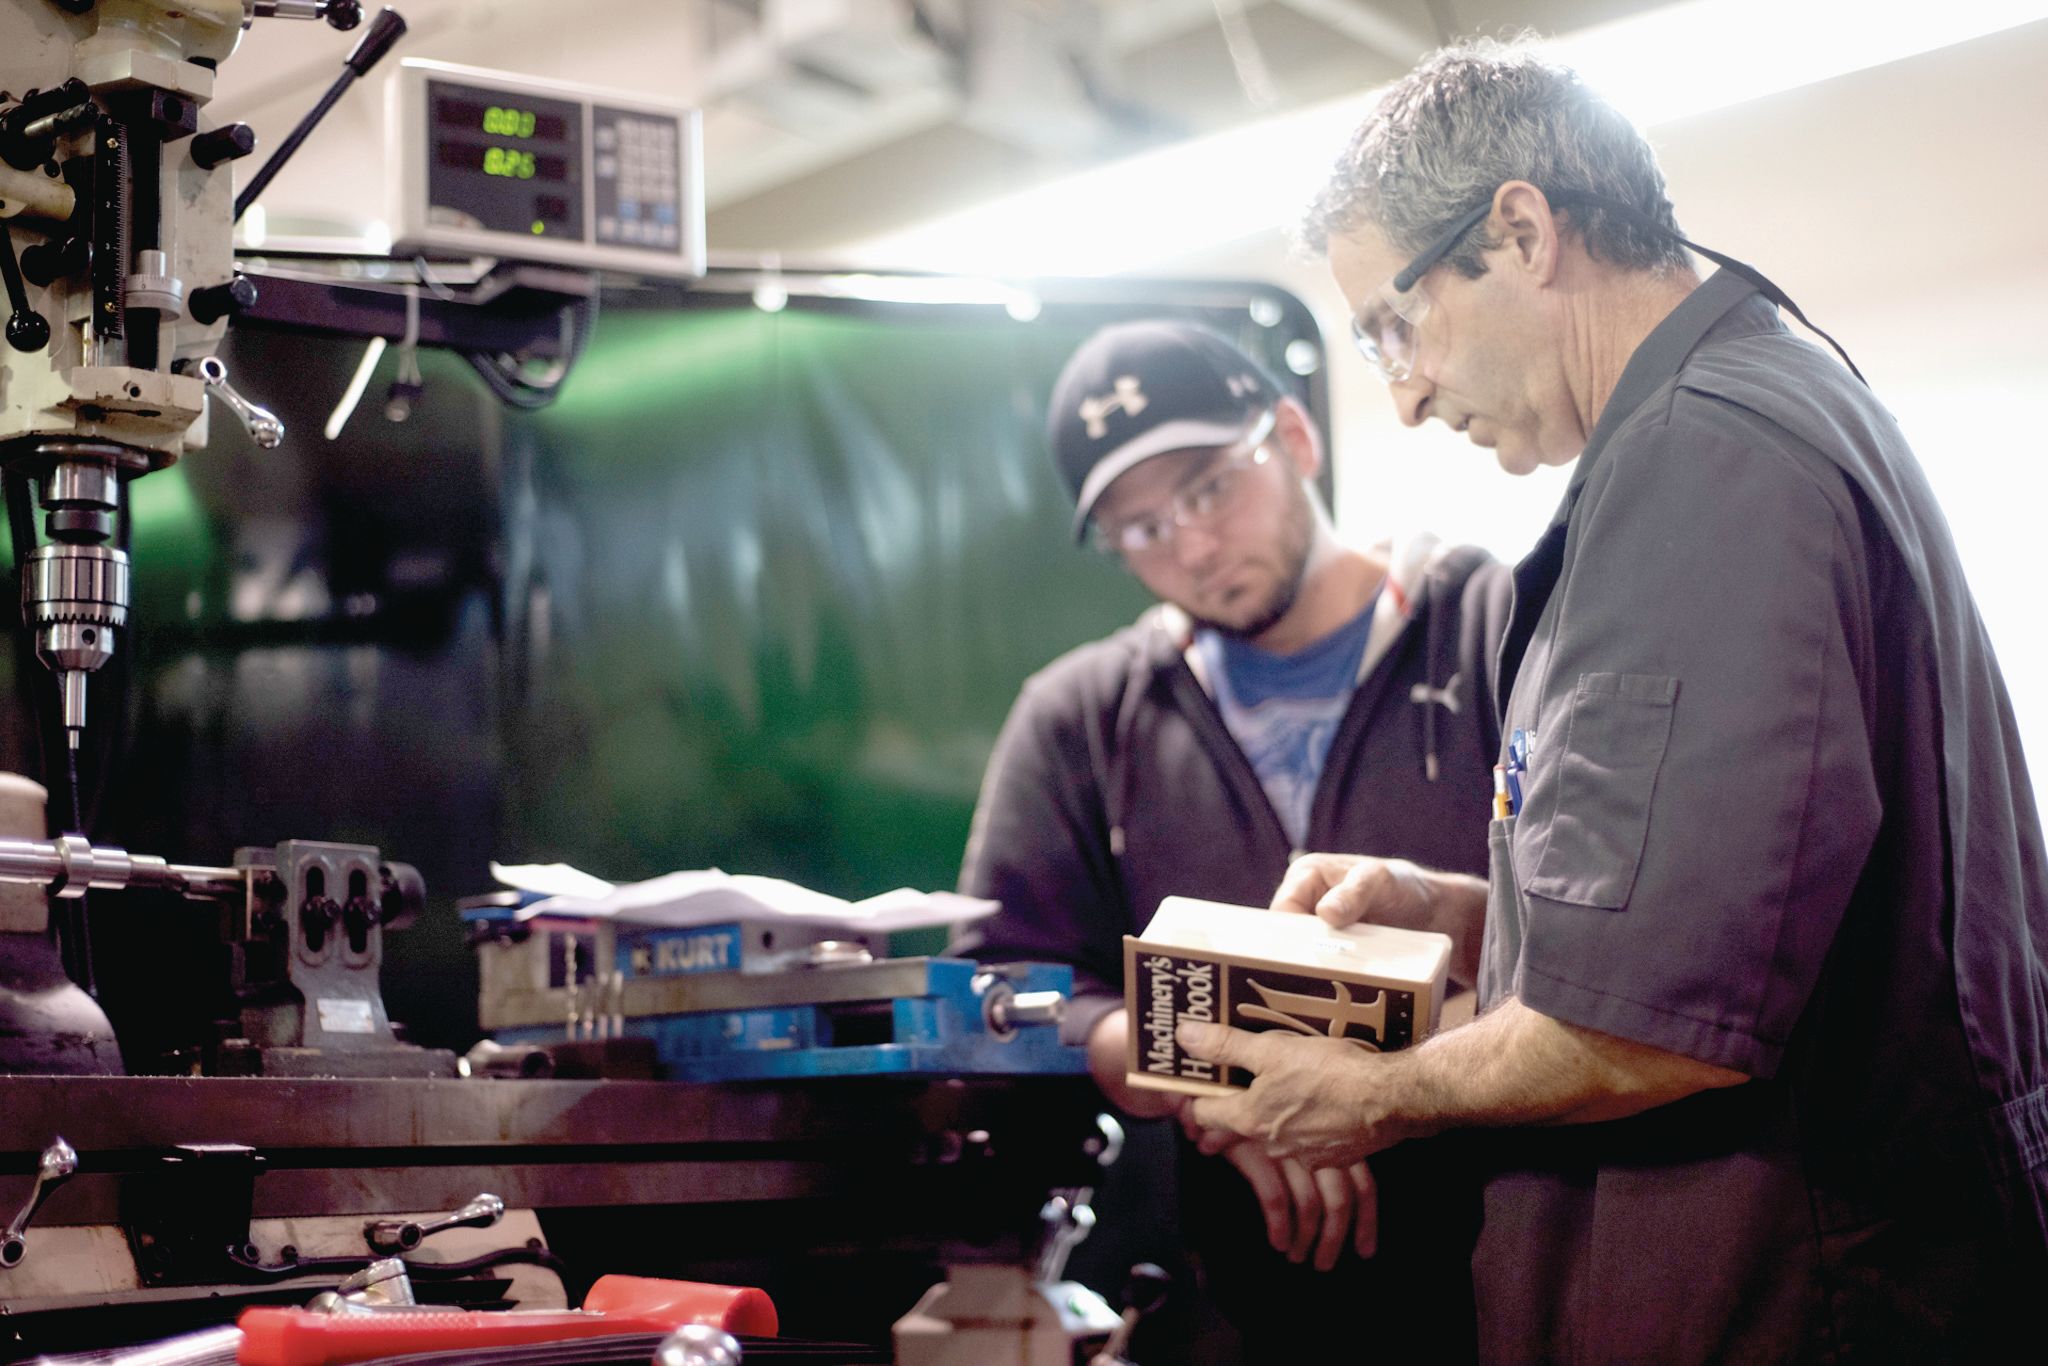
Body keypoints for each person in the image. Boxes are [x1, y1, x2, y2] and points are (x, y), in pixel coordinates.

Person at [1174, 39, 2048, 1363]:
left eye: (1394, 325)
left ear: (1519, 232)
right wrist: (1474, 917)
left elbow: (1656, 1030)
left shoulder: (1709, 459)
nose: (1401, 394)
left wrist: (1369, 1092)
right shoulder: (1763, 399)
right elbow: (1749, 914)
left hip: (1785, 1299)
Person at [958, 319, 1509, 1360]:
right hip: (1211, 1308)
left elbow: (1597, 946)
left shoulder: (1490, 627)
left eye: (1209, 487)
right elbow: (998, 995)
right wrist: (1205, 1080)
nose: (1191, 546)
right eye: (1141, 528)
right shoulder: (1080, 717)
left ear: (1293, 436)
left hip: (1499, 1291)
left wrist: (1361, 1093)